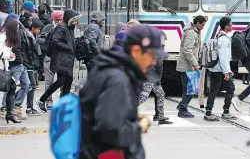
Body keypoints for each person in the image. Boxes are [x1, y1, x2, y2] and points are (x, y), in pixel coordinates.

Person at [79, 24, 163, 159]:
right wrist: (139, 126)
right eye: (151, 55)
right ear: (136, 51)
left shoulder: (112, 70)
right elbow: (111, 131)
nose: (153, 61)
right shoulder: (118, 79)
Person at [37, 10, 80, 112]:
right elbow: (55, 41)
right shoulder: (62, 28)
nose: (75, 22)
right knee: (61, 81)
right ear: (69, 19)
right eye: (74, 20)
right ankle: (41, 100)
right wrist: (68, 47)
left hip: (67, 60)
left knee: (68, 81)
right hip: (60, 59)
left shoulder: (69, 28)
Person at [205, 17, 238, 121]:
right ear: (226, 26)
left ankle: (208, 113)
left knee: (214, 90)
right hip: (220, 69)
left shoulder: (219, 36)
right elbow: (223, 57)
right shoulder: (224, 39)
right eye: (230, 24)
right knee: (231, 88)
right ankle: (226, 111)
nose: (232, 26)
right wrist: (227, 71)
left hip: (215, 68)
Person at [138, 30, 172, 124]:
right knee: (143, 97)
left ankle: (160, 117)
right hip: (151, 77)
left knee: (160, 94)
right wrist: (159, 79)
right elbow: (159, 67)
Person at [176, 15, 206, 118]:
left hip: (188, 65)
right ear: (197, 23)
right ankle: (182, 110)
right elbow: (187, 50)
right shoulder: (191, 33)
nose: (203, 27)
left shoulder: (195, 32)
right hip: (186, 66)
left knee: (189, 88)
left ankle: (181, 106)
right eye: (202, 25)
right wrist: (195, 64)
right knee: (190, 89)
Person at [36, 10, 64, 109]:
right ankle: (48, 101)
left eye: (61, 20)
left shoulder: (65, 28)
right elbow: (39, 39)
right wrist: (49, 42)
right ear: (53, 19)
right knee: (49, 81)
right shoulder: (48, 27)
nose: (59, 22)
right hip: (50, 57)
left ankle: (62, 101)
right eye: (57, 20)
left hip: (61, 58)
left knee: (62, 81)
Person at [0, 19, 21, 123]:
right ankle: (9, 113)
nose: (18, 30)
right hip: (1, 68)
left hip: (4, 68)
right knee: (11, 87)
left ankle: (9, 113)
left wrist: (11, 56)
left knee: (12, 87)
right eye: (16, 28)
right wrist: (9, 55)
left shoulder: (6, 37)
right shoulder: (2, 37)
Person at [25, 19, 42, 115]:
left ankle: (29, 106)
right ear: (34, 28)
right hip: (30, 64)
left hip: (32, 64)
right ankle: (29, 107)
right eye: (38, 29)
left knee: (32, 85)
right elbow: (30, 52)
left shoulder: (32, 37)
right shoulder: (29, 37)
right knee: (32, 85)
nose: (39, 31)